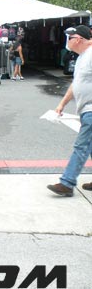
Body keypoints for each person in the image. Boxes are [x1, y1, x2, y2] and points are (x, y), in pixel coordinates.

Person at [48, 25, 92, 196]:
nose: (68, 41)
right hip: (86, 109)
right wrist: (62, 104)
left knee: (82, 146)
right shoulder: (82, 58)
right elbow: (76, 85)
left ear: (79, 39)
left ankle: (67, 183)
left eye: (70, 38)